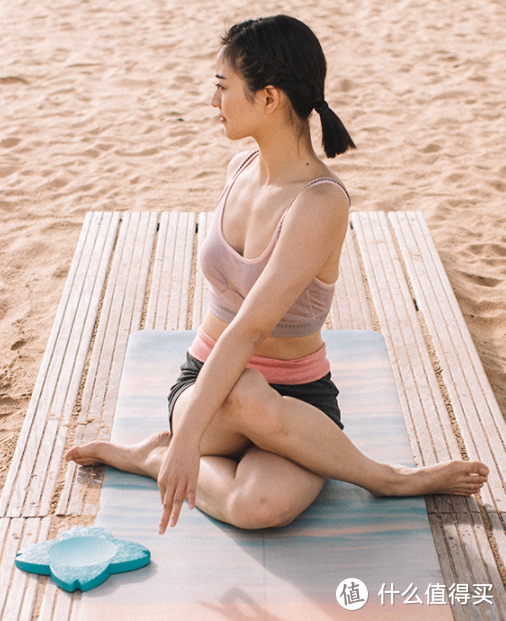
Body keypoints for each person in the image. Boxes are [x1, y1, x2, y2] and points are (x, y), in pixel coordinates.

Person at [66, 15, 488, 534]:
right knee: (241, 391)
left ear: (269, 98)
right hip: (207, 390)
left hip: (295, 404)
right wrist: (187, 435)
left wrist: (184, 447)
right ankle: (385, 479)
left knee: (257, 508)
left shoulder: (319, 202)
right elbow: (231, 336)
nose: (212, 102)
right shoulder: (239, 169)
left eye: (222, 88)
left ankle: (161, 457)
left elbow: (251, 326)